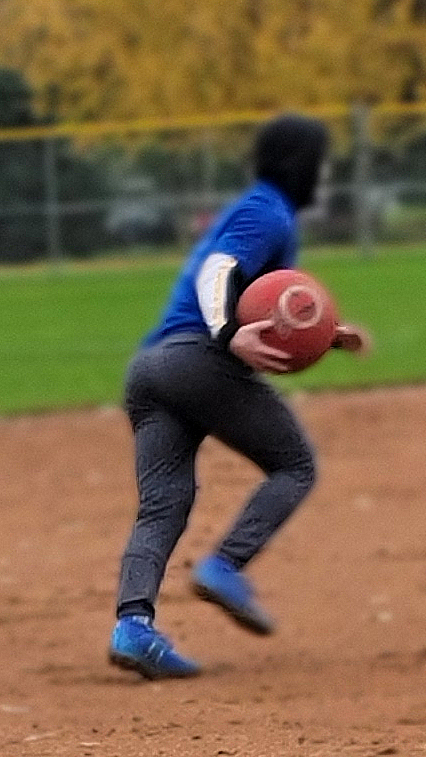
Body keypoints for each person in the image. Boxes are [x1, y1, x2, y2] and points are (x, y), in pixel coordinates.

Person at [107, 113, 368, 680]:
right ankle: (225, 565)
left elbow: (275, 307)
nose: (324, 175)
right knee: (294, 465)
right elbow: (218, 271)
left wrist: (328, 335)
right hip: (198, 360)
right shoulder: (265, 210)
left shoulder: (264, 210)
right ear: (302, 166)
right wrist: (226, 332)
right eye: (320, 163)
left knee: (163, 506)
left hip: (151, 370)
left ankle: (133, 626)